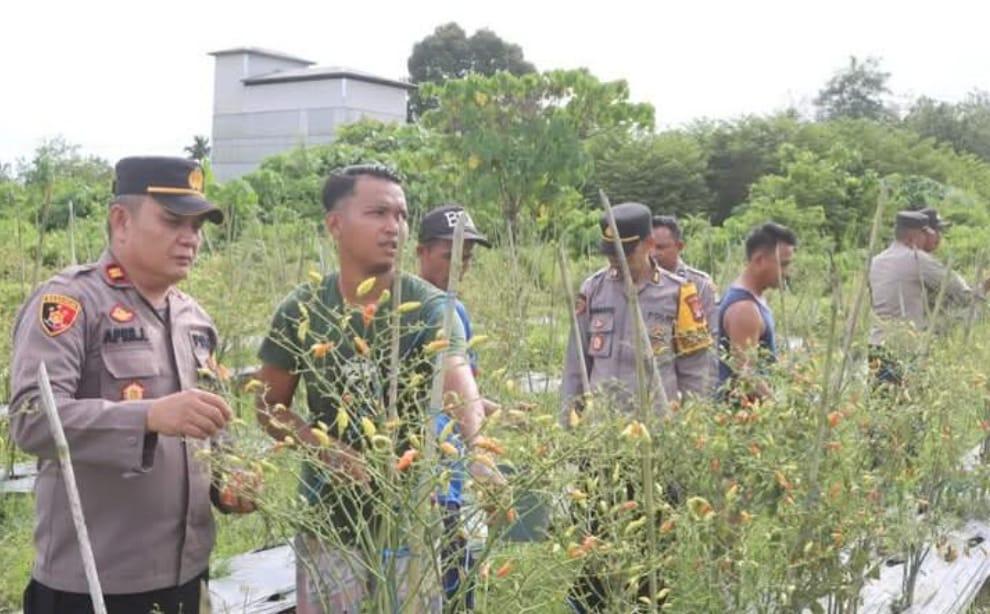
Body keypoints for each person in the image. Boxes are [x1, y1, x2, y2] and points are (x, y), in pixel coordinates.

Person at [9, 156, 253, 614]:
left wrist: (229, 480)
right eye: (175, 221)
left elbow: (210, 426)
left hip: (187, 575)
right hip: (94, 584)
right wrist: (149, 416)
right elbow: (30, 418)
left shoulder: (194, 319)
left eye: (198, 226)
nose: (191, 239)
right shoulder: (70, 303)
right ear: (121, 221)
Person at [253, 164, 493, 614]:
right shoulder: (302, 309)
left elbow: (457, 379)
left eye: (401, 215)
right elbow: (268, 407)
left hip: (411, 523)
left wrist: (480, 454)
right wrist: (323, 449)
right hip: (329, 523)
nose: (394, 228)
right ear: (335, 224)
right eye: (378, 213)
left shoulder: (428, 306)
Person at [561, 202, 714, 423]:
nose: (616, 261)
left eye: (625, 254)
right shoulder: (592, 289)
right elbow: (575, 366)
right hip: (601, 429)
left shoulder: (681, 293)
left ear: (649, 244)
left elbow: (696, 372)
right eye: (611, 255)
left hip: (656, 428)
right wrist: (566, 422)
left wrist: (693, 429)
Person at [416, 203, 495, 610]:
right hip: (419, 479)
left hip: (455, 478)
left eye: (465, 258)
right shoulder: (405, 309)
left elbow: (458, 391)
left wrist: (493, 409)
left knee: (459, 587)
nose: (458, 266)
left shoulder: (457, 311)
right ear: (421, 253)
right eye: (449, 255)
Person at [868, 210, 987, 384]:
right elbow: (964, 296)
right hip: (903, 350)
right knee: (972, 309)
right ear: (916, 235)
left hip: (875, 349)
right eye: (929, 233)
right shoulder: (918, 259)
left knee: (883, 404)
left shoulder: (876, 261)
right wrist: (984, 288)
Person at [717, 222, 797, 402]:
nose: (787, 272)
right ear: (760, 260)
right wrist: (779, 409)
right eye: (783, 265)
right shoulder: (744, 309)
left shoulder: (755, 298)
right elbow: (746, 376)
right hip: (741, 418)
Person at [651, 215, 720, 334]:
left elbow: (714, 331)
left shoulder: (700, 283)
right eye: (649, 247)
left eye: (660, 247)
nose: (653, 253)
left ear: (679, 247)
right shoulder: (637, 282)